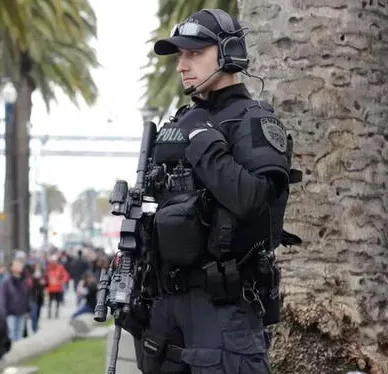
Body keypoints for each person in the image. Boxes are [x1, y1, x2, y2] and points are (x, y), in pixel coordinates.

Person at [131, 8, 302, 374]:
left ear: (227, 53)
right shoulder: (180, 123)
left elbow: (251, 199)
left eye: (194, 53)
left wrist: (203, 139)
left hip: (224, 309)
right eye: (181, 55)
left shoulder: (254, 120)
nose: (182, 65)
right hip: (165, 306)